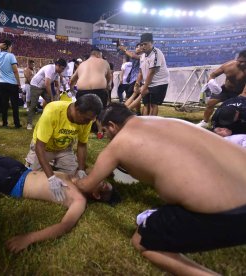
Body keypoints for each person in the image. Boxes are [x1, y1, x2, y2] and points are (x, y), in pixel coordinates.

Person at [75, 102, 246, 275]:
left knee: (142, 241)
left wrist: (75, 181)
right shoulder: (164, 120)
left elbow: (88, 185)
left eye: (104, 132)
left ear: (111, 126)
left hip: (231, 212)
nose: (105, 137)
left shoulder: (118, 144)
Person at [0, 139, 116, 253]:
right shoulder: (78, 177)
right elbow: (91, 166)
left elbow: (64, 226)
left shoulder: (79, 201)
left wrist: (29, 238)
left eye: (101, 183)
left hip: (12, 183)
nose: (98, 177)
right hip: (21, 170)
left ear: (95, 194)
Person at [25, 94, 103, 202]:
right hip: (44, 148)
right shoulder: (53, 111)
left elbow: (82, 144)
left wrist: (81, 169)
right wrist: (51, 178)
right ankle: (45, 165)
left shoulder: (87, 119)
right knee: (31, 177)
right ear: (77, 109)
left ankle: (54, 166)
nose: (88, 123)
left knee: (73, 177)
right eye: (86, 119)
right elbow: (40, 146)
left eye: (91, 120)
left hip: (64, 149)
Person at [197, 49, 246, 128]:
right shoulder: (228, 66)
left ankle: (237, 125)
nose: (241, 63)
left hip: (241, 92)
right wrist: (211, 82)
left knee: (238, 109)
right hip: (225, 90)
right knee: (210, 103)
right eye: (239, 61)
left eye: (244, 62)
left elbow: (245, 92)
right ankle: (204, 122)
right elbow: (212, 75)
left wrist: (240, 99)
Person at [70, 48, 112, 137]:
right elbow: (109, 77)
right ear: (98, 54)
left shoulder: (81, 64)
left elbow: (72, 80)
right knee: (100, 111)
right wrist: (107, 85)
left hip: (82, 91)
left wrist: (72, 90)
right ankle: (100, 131)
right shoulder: (104, 62)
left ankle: (81, 130)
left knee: (82, 111)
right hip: (99, 90)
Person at [134, 33, 169, 116]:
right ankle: (144, 123)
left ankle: (151, 124)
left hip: (159, 83)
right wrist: (137, 84)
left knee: (153, 104)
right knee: (146, 104)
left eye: (145, 44)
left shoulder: (156, 54)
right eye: (142, 44)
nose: (143, 46)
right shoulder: (143, 56)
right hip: (148, 82)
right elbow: (141, 72)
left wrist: (144, 88)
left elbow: (151, 72)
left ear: (152, 42)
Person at [27, 59, 67, 130]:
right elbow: (47, 84)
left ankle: (52, 120)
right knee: (33, 105)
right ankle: (29, 123)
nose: (62, 70)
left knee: (53, 103)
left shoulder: (57, 72)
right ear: (57, 65)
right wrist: (51, 97)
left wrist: (57, 94)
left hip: (43, 87)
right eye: (62, 68)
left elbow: (57, 84)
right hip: (35, 86)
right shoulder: (50, 68)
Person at [0, 40, 22, 128]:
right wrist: (19, 84)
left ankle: (4, 123)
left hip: (2, 83)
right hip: (12, 84)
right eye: (11, 46)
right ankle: (17, 124)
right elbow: (15, 71)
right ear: (9, 46)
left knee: (4, 104)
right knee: (14, 105)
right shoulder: (11, 56)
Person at [119, 43, 143, 114]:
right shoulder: (136, 55)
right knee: (135, 97)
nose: (137, 48)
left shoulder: (142, 56)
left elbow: (132, 55)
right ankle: (138, 112)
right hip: (133, 80)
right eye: (137, 47)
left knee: (128, 97)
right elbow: (130, 55)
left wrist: (125, 49)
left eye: (139, 47)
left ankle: (126, 112)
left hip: (137, 79)